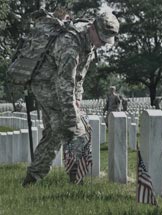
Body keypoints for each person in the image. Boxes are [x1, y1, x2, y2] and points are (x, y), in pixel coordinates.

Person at [22, 9, 120, 186]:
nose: (103, 45)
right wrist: (72, 118)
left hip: (60, 84)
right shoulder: (70, 44)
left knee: (54, 132)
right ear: (92, 28)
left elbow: (79, 79)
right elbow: (65, 83)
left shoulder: (88, 44)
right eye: (102, 39)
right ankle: (75, 177)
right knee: (68, 127)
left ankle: (32, 178)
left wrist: (78, 100)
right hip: (45, 83)